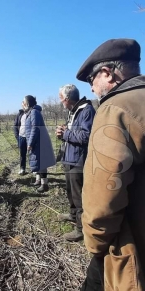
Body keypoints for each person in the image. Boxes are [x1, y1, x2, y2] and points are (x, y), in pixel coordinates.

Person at [76, 38, 145, 290]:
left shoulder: (116, 108)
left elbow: (103, 196)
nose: (92, 89)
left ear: (108, 74)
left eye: (91, 80)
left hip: (132, 244)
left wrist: (95, 242)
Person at [55, 84, 95, 242]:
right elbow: (73, 133)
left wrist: (66, 133)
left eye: (61, 99)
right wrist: (63, 134)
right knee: (70, 191)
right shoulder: (73, 111)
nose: (61, 102)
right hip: (69, 157)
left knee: (79, 197)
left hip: (79, 160)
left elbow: (86, 136)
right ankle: (73, 216)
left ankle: (81, 229)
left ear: (67, 99)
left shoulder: (87, 110)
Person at [23, 95, 55, 192]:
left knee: (41, 163)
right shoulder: (31, 112)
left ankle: (44, 184)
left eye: (24, 102)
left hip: (38, 142)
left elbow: (35, 128)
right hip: (36, 142)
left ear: (27, 104)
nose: (23, 104)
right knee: (38, 162)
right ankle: (38, 180)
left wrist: (30, 143)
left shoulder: (34, 112)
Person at [13, 102, 27, 175]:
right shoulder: (20, 114)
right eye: (23, 105)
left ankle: (34, 169)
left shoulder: (33, 113)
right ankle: (22, 168)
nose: (24, 106)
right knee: (22, 154)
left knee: (32, 154)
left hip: (30, 137)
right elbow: (15, 126)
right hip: (21, 137)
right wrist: (17, 137)